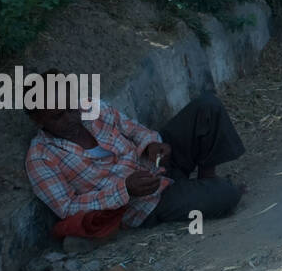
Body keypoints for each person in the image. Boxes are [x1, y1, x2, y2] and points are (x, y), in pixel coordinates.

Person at [25, 85, 246, 232]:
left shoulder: (90, 107)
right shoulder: (41, 158)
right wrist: (124, 190)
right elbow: (67, 207)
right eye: (58, 116)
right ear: (38, 120)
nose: (71, 118)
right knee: (228, 195)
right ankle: (209, 189)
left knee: (207, 106)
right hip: (145, 202)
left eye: (71, 108)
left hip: (157, 163)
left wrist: (151, 144)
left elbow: (135, 130)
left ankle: (206, 179)